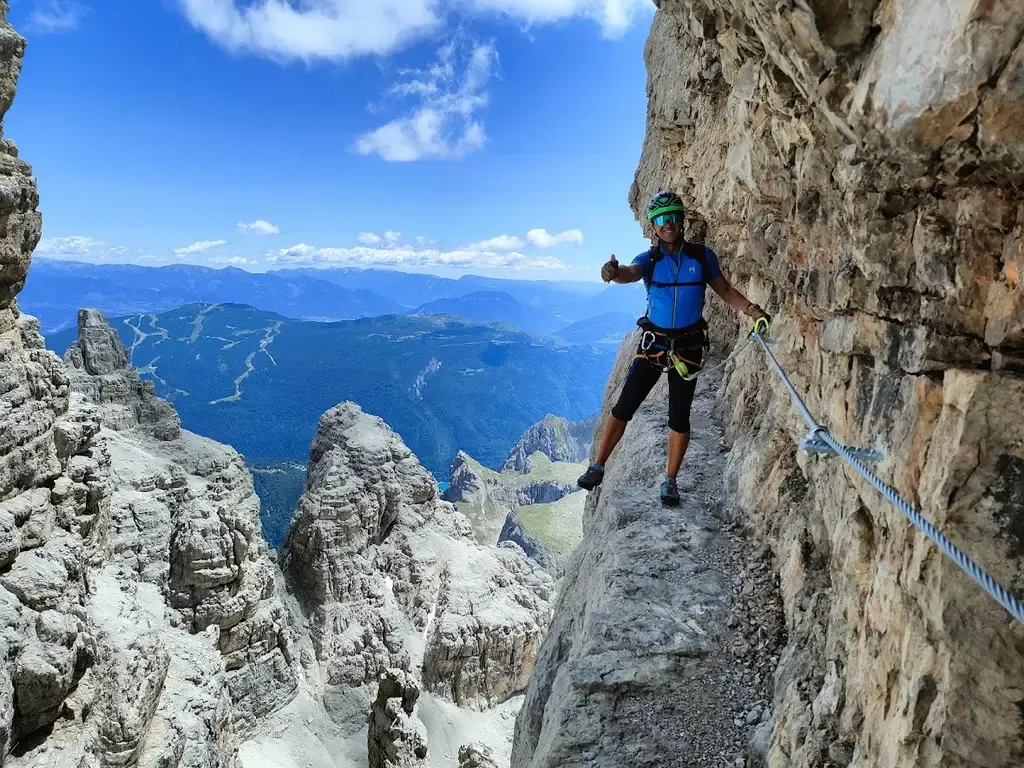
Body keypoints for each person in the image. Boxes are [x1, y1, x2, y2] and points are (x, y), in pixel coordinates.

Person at [576, 191, 770, 506]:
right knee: (624, 406)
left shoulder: (702, 257)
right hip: (654, 344)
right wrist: (612, 273)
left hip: (688, 345)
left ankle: (670, 481)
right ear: (654, 226)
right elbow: (629, 273)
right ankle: (597, 466)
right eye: (661, 220)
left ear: (682, 221)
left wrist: (752, 310)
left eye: (673, 217)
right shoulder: (650, 260)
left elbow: (724, 289)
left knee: (679, 417)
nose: (667, 224)